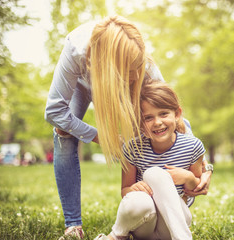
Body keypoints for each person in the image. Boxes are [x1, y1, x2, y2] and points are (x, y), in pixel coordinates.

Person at [44, 15, 213, 239]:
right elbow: (55, 112)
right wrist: (100, 137)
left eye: (138, 66)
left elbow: (173, 115)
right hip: (82, 80)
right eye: (130, 70)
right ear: (111, 65)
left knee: (154, 113)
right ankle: (73, 225)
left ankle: (150, 207)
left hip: (155, 207)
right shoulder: (76, 49)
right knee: (64, 130)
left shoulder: (139, 61)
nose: (136, 76)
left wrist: (204, 168)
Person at [95, 79, 206, 240]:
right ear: (140, 123)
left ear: (177, 114)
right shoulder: (133, 148)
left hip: (173, 223)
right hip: (144, 222)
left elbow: (196, 188)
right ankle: (117, 235)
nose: (157, 122)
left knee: (154, 173)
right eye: (148, 118)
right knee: (146, 186)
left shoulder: (192, 146)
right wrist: (134, 188)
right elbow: (125, 190)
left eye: (163, 114)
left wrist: (188, 177)